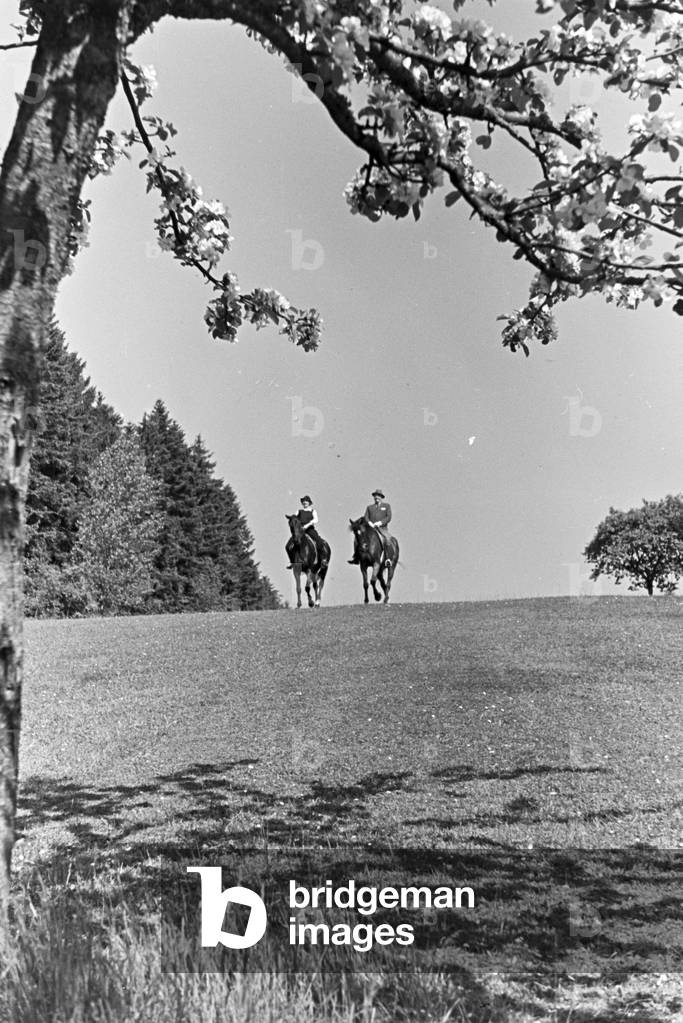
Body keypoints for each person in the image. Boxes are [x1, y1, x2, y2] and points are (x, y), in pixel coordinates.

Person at [348, 489, 393, 564]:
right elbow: (366, 516)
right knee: (357, 538)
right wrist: (369, 522)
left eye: (378, 496)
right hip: (371, 528)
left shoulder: (386, 506)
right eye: (375, 496)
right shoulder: (369, 507)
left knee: (387, 538)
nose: (376, 497)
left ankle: (387, 559)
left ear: (381, 497)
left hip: (382, 528)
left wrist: (380, 522)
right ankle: (356, 557)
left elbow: (388, 517)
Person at [287, 495, 326, 567]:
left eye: (306, 501)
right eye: (303, 501)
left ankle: (323, 560)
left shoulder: (313, 511)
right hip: (300, 531)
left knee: (319, 541)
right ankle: (293, 562)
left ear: (309, 503)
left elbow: (316, 520)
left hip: (310, 529)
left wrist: (307, 525)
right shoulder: (299, 511)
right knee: (288, 546)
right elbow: (294, 517)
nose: (305, 502)